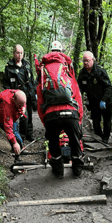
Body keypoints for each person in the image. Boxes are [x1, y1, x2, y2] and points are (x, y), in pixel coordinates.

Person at [36, 41, 84, 179]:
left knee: (53, 142)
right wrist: (78, 119)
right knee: (75, 140)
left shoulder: (43, 73)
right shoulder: (67, 69)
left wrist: (45, 121)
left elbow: (40, 101)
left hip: (51, 115)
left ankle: (58, 170)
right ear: (61, 52)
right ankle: (77, 169)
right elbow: (77, 95)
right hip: (71, 113)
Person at [77, 51, 112, 144]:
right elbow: (79, 89)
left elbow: (108, 87)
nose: (85, 63)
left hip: (106, 100)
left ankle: (105, 139)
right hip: (93, 101)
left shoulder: (100, 71)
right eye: (84, 61)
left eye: (87, 61)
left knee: (107, 120)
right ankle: (98, 137)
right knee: (96, 121)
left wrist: (104, 100)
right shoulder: (82, 73)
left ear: (92, 60)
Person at [2, 44, 36, 142]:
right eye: (17, 53)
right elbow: (6, 83)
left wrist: (33, 94)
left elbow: (32, 81)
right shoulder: (9, 67)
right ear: (14, 53)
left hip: (28, 94)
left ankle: (29, 134)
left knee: (29, 115)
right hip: (16, 96)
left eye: (21, 53)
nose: (19, 55)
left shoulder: (27, 66)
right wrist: (11, 94)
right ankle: (20, 136)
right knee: (20, 116)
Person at [0, 89, 27, 156]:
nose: (21, 106)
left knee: (16, 133)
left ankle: (17, 149)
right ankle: (17, 152)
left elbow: (24, 103)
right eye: (20, 105)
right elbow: (8, 127)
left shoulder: (18, 95)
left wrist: (23, 108)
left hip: (13, 117)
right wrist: (14, 142)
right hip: (2, 120)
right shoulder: (7, 106)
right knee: (15, 137)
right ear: (14, 100)